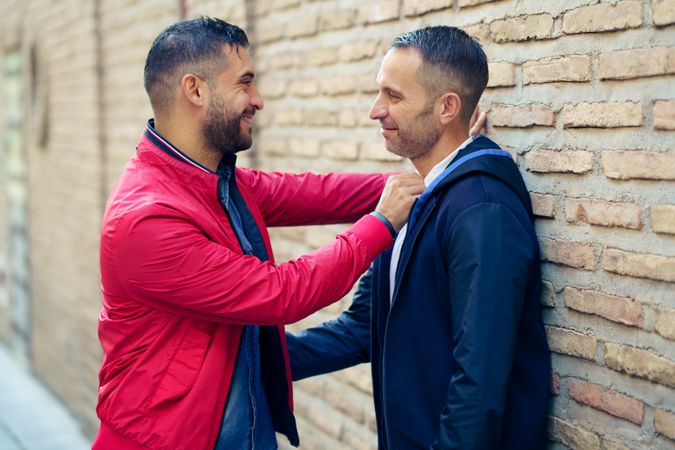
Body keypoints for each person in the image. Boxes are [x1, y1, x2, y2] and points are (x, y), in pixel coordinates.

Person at [93, 17, 425, 450]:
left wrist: (432, 173)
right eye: (245, 83)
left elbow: (316, 193)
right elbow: (283, 294)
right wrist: (382, 224)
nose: (258, 100)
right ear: (195, 90)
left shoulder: (217, 182)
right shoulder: (147, 221)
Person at [287, 26, 551, 449]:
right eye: (380, 93)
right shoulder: (414, 199)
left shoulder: (482, 211)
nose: (376, 110)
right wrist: (249, 363)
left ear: (448, 107)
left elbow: (477, 384)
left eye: (394, 96)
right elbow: (361, 328)